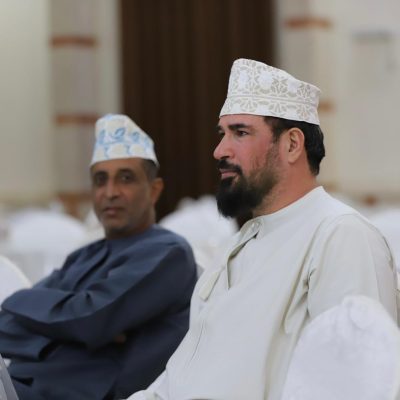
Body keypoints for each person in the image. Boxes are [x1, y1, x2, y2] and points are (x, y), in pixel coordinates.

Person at [127, 59, 399, 400]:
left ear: (292, 145)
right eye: (222, 134)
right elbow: (182, 377)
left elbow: (356, 386)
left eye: (240, 132)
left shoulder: (340, 235)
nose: (219, 150)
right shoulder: (238, 245)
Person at [0, 114, 198, 400]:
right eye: (100, 180)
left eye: (126, 178)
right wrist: (70, 332)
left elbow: (90, 319)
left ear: (154, 190)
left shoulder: (168, 253)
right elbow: (5, 325)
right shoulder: (83, 255)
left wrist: (19, 301)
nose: (111, 192)